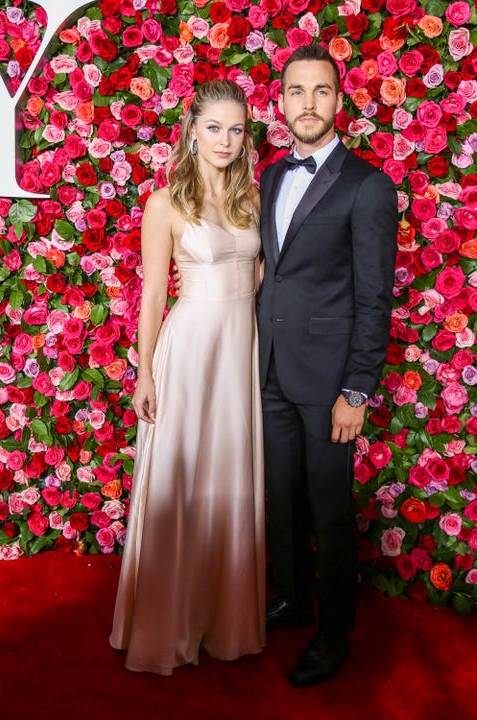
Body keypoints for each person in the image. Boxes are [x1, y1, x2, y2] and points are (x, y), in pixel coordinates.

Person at [109, 80, 266, 675]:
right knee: (183, 474)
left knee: (229, 477)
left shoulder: (252, 197)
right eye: (214, 127)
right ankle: (168, 623)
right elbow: (152, 295)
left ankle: (223, 622)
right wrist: (144, 372)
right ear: (191, 128)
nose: (225, 140)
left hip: (239, 351)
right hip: (191, 346)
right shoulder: (164, 203)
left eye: (236, 129)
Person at [258, 44, 398, 687]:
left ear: (339, 103)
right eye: (295, 91)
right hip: (270, 370)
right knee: (280, 498)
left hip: (328, 381)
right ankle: (289, 599)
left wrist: (356, 389)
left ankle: (334, 631)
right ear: (281, 101)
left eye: (320, 92)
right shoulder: (268, 175)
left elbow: (374, 296)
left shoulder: (368, 185)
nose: (306, 104)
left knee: (330, 508)